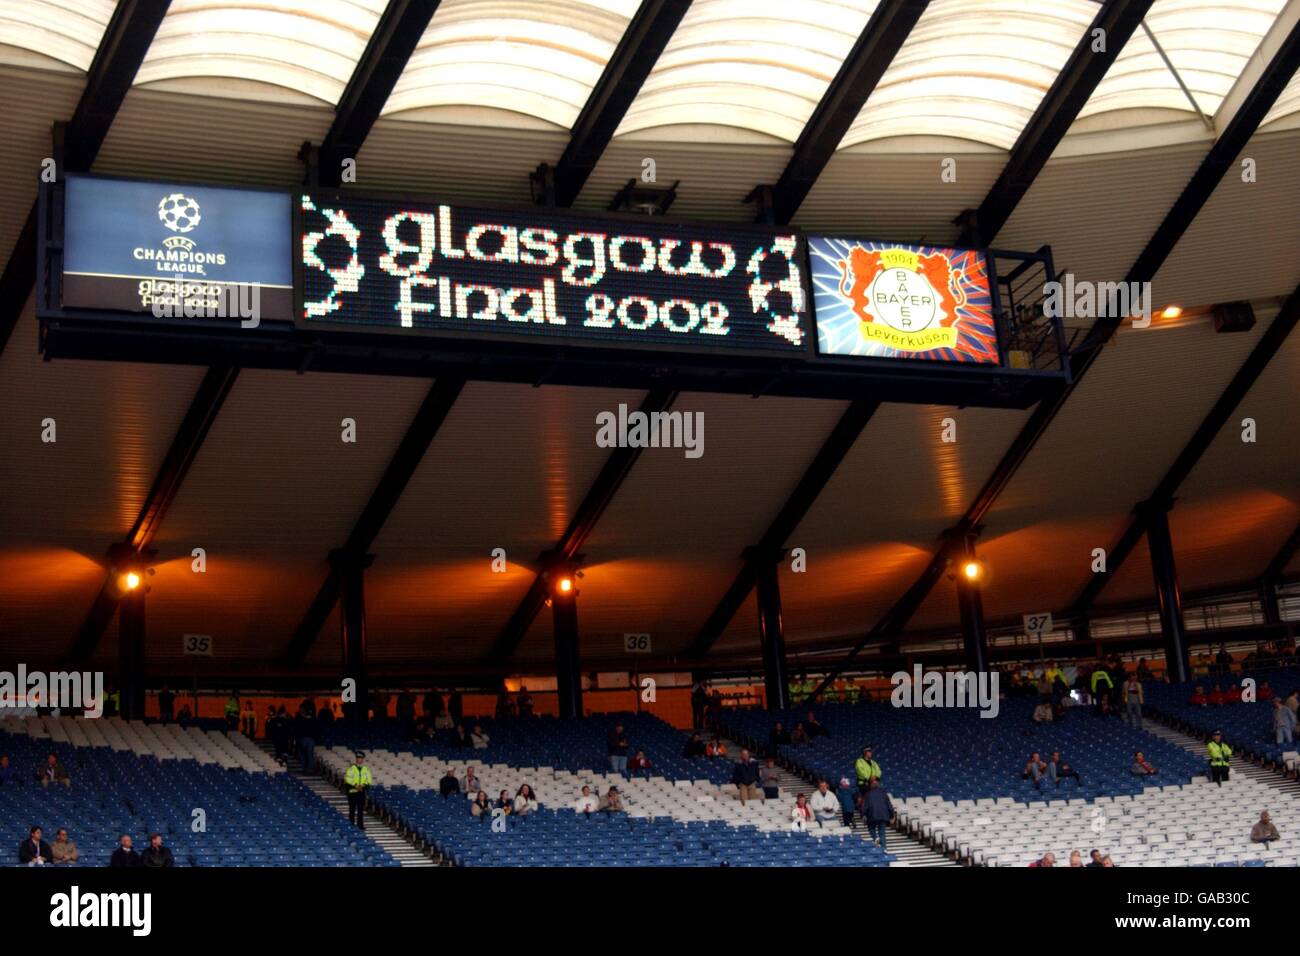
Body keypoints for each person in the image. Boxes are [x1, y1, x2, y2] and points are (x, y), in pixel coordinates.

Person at [862, 778, 895, 849]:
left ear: (871, 786)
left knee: (871, 828)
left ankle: (875, 838)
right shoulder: (884, 794)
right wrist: (892, 816)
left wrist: (863, 814)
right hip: (883, 815)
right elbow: (889, 806)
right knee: (882, 832)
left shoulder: (868, 794)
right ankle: (884, 848)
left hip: (872, 815)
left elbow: (865, 806)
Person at [344, 752, 372, 830]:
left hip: (361, 792)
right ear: (356, 759)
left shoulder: (366, 769)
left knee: (360, 810)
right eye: (358, 758)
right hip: (353, 792)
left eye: (361, 758)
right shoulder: (351, 769)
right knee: (352, 809)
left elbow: (369, 780)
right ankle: (351, 825)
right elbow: (348, 779)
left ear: (363, 759)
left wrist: (363, 786)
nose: (359, 760)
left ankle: (360, 825)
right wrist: (356, 785)